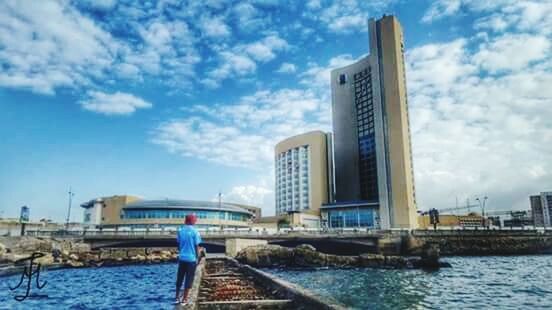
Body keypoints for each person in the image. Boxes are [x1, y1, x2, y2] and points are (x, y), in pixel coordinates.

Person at [175, 214, 202, 305]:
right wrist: (197, 257)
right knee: (189, 279)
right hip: (191, 259)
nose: (196, 221)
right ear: (192, 221)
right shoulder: (195, 232)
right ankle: (185, 299)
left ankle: (177, 297)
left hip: (182, 258)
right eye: (195, 220)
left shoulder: (180, 231)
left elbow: (178, 246)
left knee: (180, 277)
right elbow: (196, 246)